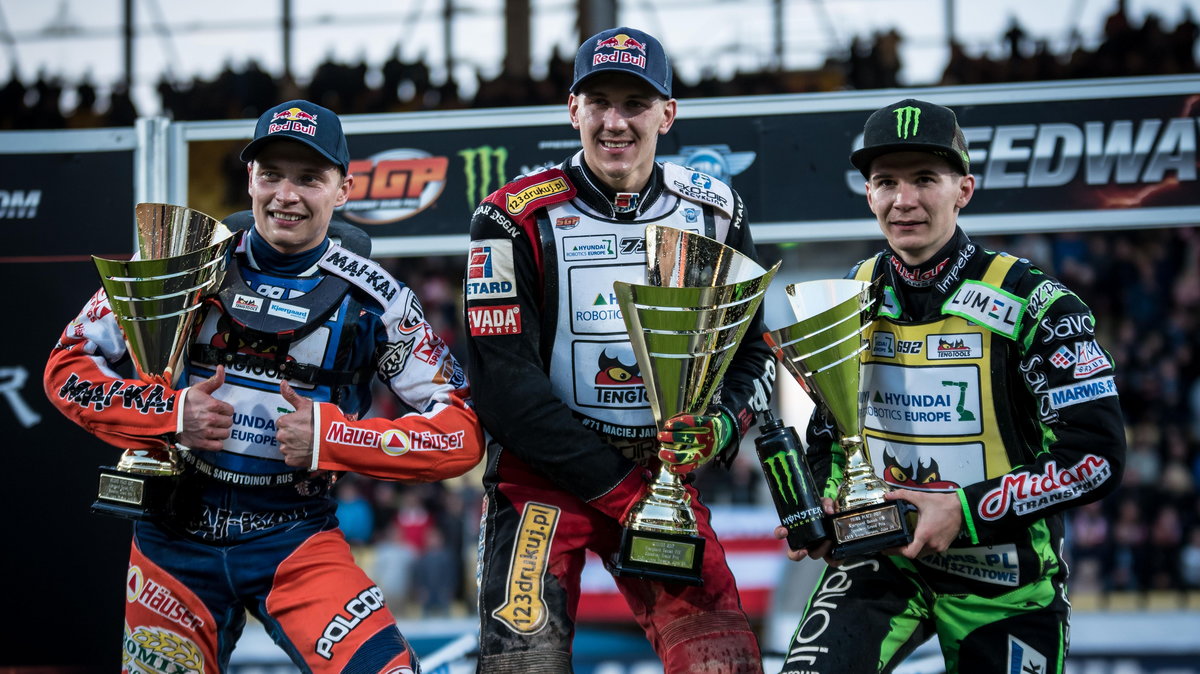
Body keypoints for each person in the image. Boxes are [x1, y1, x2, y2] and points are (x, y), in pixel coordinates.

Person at [45, 99, 484, 671]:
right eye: (271, 173)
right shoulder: (178, 260)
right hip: (174, 537)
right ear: (250, 178)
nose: (286, 194)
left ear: (344, 189)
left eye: (309, 178)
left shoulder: (381, 299)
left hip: (297, 538)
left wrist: (333, 437)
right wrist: (170, 413)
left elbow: (461, 430)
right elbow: (66, 365)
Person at [776, 99, 1127, 673]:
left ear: (963, 189)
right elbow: (828, 434)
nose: (903, 200)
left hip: (1006, 581)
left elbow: (1096, 457)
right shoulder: (847, 293)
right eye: (886, 181)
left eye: (924, 179)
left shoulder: (1035, 303)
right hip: (884, 561)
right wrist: (824, 496)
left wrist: (964, 510)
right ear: (868, 194)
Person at [464, 27, 773, 673]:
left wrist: (720, 425)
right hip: (542, 486)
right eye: (598, 101)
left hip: (665, 480)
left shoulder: (716, 211)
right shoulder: (509, 216)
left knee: (726, 660)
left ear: (667, 113)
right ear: (572, 108)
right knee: (524, 663)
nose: (614, 122)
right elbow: (502, 386)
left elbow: (753, 350)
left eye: (633, 104)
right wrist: (622, 492)